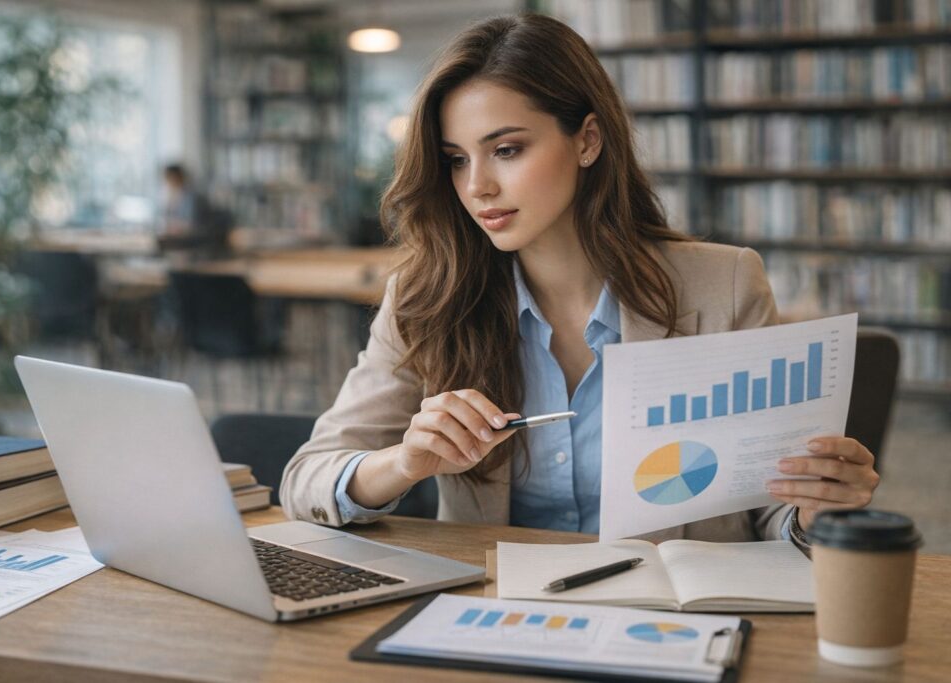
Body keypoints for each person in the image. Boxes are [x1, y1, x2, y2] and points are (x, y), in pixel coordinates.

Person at [279, 14, 880, 545]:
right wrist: (403, 464)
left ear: (587, 140)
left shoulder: (723, 284)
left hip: (670, 619)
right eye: (457, 159)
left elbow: (767, 511)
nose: (477, 186)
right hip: (492, 616)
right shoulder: (426, 298)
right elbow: (305, 480)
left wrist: (810, 509)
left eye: (507, 150)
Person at [158, 163, 231, 257]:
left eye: (168, 179)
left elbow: (192, 224)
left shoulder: (192, 197)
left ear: (176, 177)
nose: (167, 183)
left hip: (197, 243)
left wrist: (174, 227)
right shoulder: (176, 196)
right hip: (187, 241)